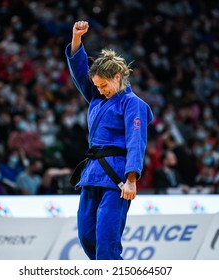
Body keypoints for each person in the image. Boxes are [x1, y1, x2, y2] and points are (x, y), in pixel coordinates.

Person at [66, 21, 153, 260]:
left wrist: (131, 179)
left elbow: (137, 140)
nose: (100, 90)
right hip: (92, 172)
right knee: (86, 237)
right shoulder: (97, 98)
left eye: (104, 85)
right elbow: (78, 73)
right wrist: (76, 39)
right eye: (96, 86)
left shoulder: (131, 103)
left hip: (117, 177)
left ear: (117, 77)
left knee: (107, 243)